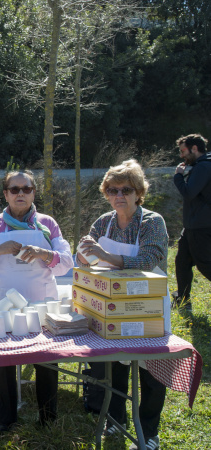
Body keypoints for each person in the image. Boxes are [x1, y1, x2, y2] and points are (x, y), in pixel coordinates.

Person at [0, 170, 73, 431]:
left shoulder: (47, 224)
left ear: (34, 192)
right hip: (3, 302)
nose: (20, 193)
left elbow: (67, 263)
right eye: (15, 189)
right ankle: (7, 418)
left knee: (46, 358)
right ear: (6, 194)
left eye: (26, 189)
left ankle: (48, 417)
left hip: (42, 300)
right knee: (4, 359)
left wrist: (44, 253)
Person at [77, 159, 168, 450]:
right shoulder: (104, 222)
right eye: (113, 189)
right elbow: (88, 256)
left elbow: (147, 259)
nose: (119, 195)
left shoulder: (152, 222)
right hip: (114, 303)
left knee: (152, 372)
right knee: (114, 366)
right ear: (106, 193)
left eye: (126, 189)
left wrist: (106, 255)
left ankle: (149, 431)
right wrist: (83, 253)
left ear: (138, 192)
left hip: (149, 303)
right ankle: (116, 423)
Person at [172, 133, 211, 312]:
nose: (181, 156)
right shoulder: (201, 165)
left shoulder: (203, 167)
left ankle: (183, 300)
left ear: (194, 149)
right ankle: (183, 300)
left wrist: (178, 176)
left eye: (183, 151)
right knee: (182, 262)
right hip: (193, 226)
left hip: (200, 226)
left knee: (205, 264)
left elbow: (189, 192)